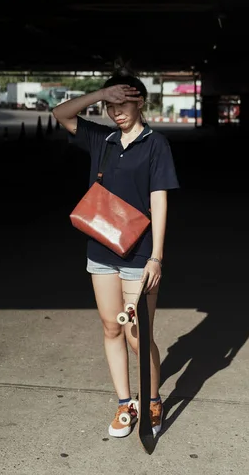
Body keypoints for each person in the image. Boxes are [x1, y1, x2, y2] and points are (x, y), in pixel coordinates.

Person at [53, 69, 179, 439]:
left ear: (139, 101)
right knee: (111, 327)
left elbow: (159, 199)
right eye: (110, 105)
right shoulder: (102, 139)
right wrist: (99, 93)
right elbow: (62, 114)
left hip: (139, 254)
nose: (115, 111)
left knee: (138, 334)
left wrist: (156, 255)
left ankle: (152, 399)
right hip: (101, 248)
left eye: (122, 103)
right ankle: (126, 404)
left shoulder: (156, 144)